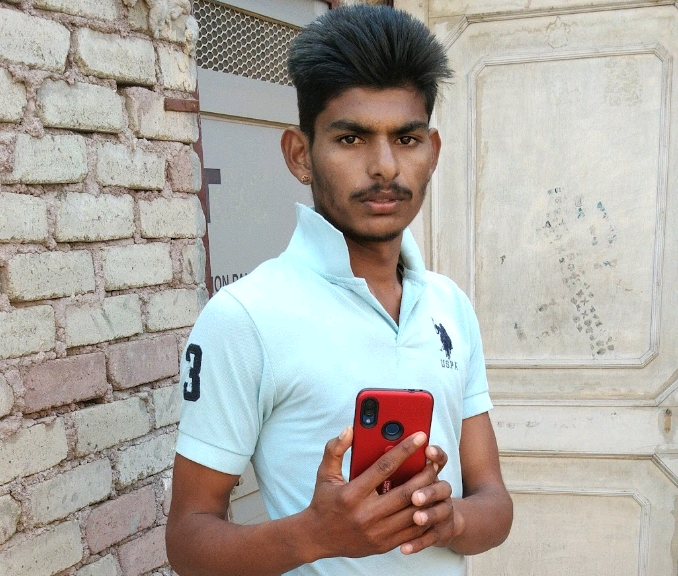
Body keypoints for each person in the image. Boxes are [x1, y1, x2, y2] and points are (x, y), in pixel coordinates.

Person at [165, 5, 513, 576]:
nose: (384, 167)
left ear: (432, 152)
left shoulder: (449, 305)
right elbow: (187, 542)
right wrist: (313, 536)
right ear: (300, 155)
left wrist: (448, 520)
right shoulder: (247, 316)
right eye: (351, 138)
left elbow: (494, 505)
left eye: (406, 138)